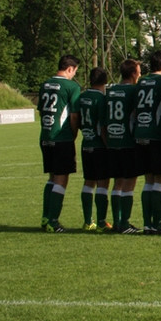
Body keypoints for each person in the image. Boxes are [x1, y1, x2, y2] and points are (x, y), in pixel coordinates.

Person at [133, 50, 161, 235]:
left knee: (148, 179)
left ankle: (147, 223)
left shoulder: (142, 81)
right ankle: (157, 223)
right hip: (157, 134)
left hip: (140, 133)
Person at [37, 54, 81, 233]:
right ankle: (53, 221)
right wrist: (73, 134)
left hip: (45, 136)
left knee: (52, 177)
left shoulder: (45, 85)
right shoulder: (71, 86)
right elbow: (74, 116)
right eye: (75, 72)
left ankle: (46, 217)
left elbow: (41, 111)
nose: (74, 75)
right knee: (61, 178)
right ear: (70, 69)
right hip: (61, 137)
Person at [71, 66, 110, 232]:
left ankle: (88, 221)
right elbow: (102, 126)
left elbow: (76, 119)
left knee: (88, 183)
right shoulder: (102, 99)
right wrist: (108, 146)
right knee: (103, 183)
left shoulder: (81, 97)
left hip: (86, 144)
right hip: (99, 146)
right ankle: (101, 222)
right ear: (105, 81)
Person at [106, 59, 142, 234]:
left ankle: (116, 221)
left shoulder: (111, 91)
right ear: (133, 73)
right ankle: (125, 222)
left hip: (112, 141)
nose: (140, 74)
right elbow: (136, 114)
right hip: (128, 141)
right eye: (139, 71)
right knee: (129, 182)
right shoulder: (134, 91)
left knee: (117, 182)